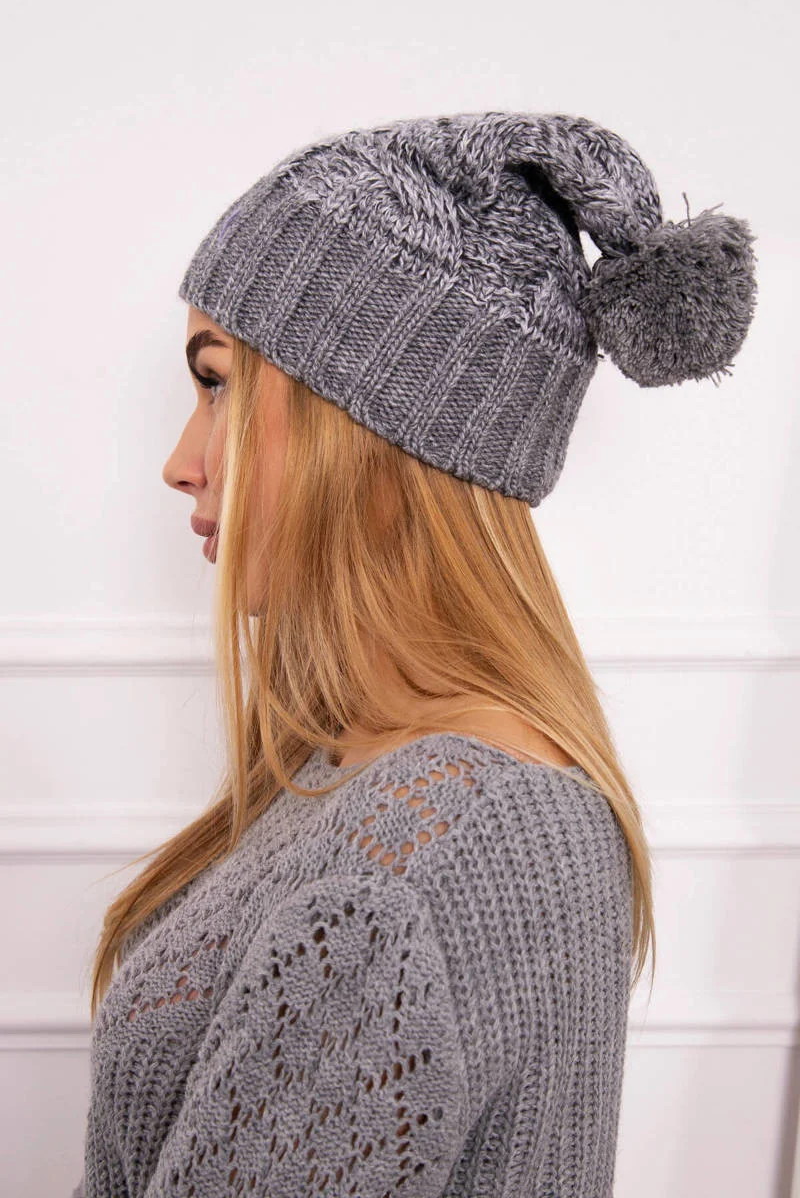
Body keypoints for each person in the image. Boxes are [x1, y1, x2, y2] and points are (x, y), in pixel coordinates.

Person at [70, 110, 757, 1198]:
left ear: (371, 427)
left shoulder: (415, 859)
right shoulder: (385, 773)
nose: (180, 462)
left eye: (217, 382)